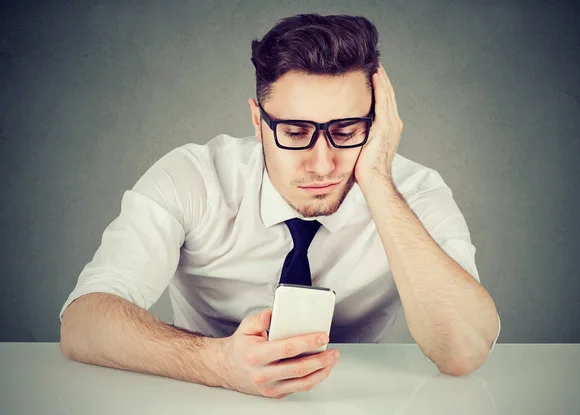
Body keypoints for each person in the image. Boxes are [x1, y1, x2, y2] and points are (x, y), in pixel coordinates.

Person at [59, 13, 501, 399]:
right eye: (294, 132)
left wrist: (378, 183)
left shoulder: (414, 192)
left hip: (363, 402)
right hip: (204, 397)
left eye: (346, 131)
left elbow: (463, 352)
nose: (323, 163)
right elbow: (82, 322)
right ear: (258, 121)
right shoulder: (194, 178)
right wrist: (217, 363)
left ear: (378, 125)